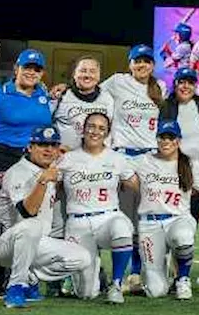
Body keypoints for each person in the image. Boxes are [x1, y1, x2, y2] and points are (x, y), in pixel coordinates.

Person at [0, 126, 92, 309]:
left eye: (53, 145)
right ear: (30, 147)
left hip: (35, 242)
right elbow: (28, 211)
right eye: (42, 144)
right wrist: (43, 181)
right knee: (32, 225)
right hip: (5, 246)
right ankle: (15, 287)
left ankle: (31, 277)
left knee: (82, 258)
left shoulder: (51, 168)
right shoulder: (18, 171)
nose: (48, 149)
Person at [0, 48, 54, 298]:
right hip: (1, 157)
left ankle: (24, 279)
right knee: (0, 222)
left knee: (30, 221)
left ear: (42, 73)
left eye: (37, 69)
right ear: (16, 69)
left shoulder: (43, 96)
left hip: (31, 162)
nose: (32, 72)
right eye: (27, 67)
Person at [98, 44, 166, 292]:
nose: (142, 65)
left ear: (152, 65)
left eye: (147, 61)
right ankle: (123, 274)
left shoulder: (160, 88)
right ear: (130, 63)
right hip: (123, 157)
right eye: (137, 60)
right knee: (126, 218)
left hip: (149, 158)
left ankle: (140, 272)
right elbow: (94, 92)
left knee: (147, 217)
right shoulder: (117, 82)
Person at [54, 112, 139, 303]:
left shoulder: (117, 158)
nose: (95, 131)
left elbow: (135, 184)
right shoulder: (67, 159)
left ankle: (116, 284)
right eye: (91, 126)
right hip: (78, 222)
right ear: (83, 129)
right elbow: (54, 186)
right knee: (86, 293)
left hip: (107, 218)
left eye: (102, 128)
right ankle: (95, 275)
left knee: (122, 228)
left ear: (108, 133)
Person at [130, 120, 199, 299]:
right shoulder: (143, 161)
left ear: (178, 140)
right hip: (149, 225)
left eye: (170, 137)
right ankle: (160, 268)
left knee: (183, 236)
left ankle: (182, 279)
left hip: (178, 218)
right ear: (156, 139)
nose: (166, 141)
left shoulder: (189, 163)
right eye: (162, 137)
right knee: (155, 291)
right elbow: (118, 169)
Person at [159, 67, 199, 221]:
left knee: (191, 227)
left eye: (190, 82)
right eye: (181, 82)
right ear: (175, 85)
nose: (185, 86)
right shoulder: (166, 107)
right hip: (175, 176)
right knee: (172, 224)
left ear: (195, 86)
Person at [50, 55, 115, 153]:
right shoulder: (60, 96)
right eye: (83, 71)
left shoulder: (108, 98)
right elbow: (43, 124)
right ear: (74, 74)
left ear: (99, 76)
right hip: (65, 159)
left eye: (92, 71)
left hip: (97, 160)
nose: (87, 75)